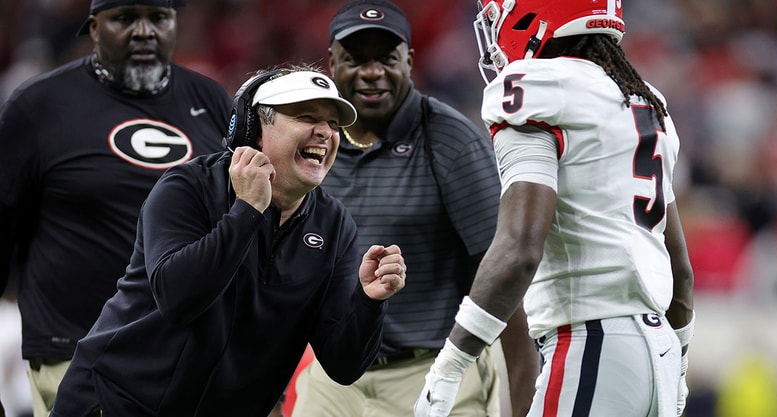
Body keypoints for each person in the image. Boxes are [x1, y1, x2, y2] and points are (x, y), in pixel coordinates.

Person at [50, 64, 407, 416]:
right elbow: (178, 299)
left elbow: (342, 366)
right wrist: (247, 210)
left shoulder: (334, 225)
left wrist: (369, 302)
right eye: (306, 116)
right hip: (115, 402)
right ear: (253, 130)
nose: (325, 133)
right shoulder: (187, 187)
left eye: (332, 123)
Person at [414, 0, 696, 416]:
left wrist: (450, 365)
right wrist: (679, 368)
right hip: (661, 351)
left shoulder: (538, 87)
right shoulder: (646, 101)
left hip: (592, 342)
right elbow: (681, 274)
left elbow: (519, 250)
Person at [292, 1, 537, 416]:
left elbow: (505, 273)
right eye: (355, 59)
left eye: (387, 58)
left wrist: (522, 404)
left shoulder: (450, 142)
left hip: (432, 370)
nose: (372, 72)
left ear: (409, 60)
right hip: (334, 375)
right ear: (331, 63)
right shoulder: (314, 144)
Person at [0, 1, 232, 415]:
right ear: (93, 28)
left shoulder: (211, 101)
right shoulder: (38, 106)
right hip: (74, 353)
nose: (144, 31)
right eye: (125, 18)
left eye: (158, 18)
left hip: (187, 355)